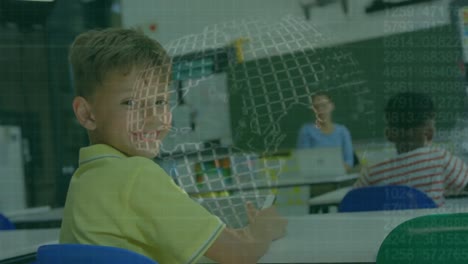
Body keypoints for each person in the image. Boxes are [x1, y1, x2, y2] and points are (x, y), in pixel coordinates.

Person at [59, 28, 287, 264]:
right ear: (86, 114)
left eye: (160, 101)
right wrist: (263, 231)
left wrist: (236, 237)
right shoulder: (136, 175)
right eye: (130, 103)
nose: (154, 118)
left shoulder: (84, 180)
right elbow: (240, 255)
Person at [354, 92, 468, 206]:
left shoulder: (373, 172)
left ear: (388, 133)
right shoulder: (440, 159)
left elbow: (351, 201)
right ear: (429, 131)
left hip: (390, 224)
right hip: (430, 224)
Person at [297, 91, 355, 172]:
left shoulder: (342, 131)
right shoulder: (307, 131)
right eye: (316, 107)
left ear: (332, 106)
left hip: (339, 179)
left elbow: (349, 162)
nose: (320, 110)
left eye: (324, 105)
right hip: (316, 180)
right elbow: (304, 162)